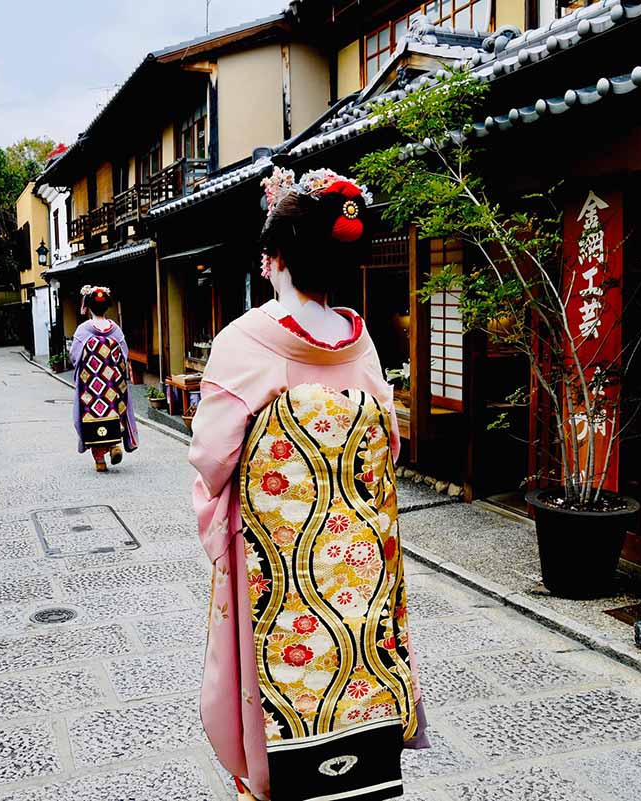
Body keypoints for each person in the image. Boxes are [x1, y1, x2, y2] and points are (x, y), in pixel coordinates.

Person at [189, 167, 428, 801]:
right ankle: (363, 766)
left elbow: (212, 456)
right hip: (361, 565)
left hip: (281, 567)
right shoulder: (362, 343)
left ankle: (275, 779)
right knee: (357, 663)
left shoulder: (244, 342)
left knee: (274, 676)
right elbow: (390, 447)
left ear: (273, 260)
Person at [70, 285, 138, 471]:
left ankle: (99, 460)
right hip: (113, 386)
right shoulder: (115, 330)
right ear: (107, 306)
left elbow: (74, 356)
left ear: (89, 307)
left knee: (92, 415)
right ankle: (114, 444)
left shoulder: (83, 330)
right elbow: (124, 355)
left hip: (90, 387)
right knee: (115, 412)